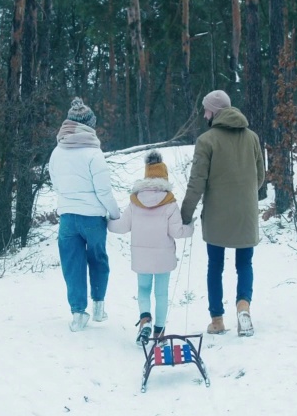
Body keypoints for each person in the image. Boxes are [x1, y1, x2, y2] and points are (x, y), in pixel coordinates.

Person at [180, 90, 265, 337]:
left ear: (215, 112)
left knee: (215, 266)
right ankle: (243, 307)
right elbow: (260, 177)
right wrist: (244, 195)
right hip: (246, 214)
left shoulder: (207, 141)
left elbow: (197, 183)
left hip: (217, 216)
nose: (204, 114)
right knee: (244, 263)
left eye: (206, 109)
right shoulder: (252, 138)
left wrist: (185, 215)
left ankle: (217, 320)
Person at [48, 98, 121, 332]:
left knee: (73, 264)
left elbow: (57, 185)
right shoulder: (93, 153)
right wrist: (114, 213)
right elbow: (103, 190)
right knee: (98, 259)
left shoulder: (56, 153)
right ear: (89, 125)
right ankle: (99, 307)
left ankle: (78, 313)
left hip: (68, 218)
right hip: (92, 218)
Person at [108, 151, 195, 345]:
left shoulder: (135, 201)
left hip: (141, 258)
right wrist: (191, 228)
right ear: (165, 176)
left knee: (143, 290)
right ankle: (159, 333)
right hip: (163, 259)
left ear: (146, 175)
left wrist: (106, 222)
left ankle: (145, 320)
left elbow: (122, 226)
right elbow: (177, 232)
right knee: (161, 294)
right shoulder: (169, 203)